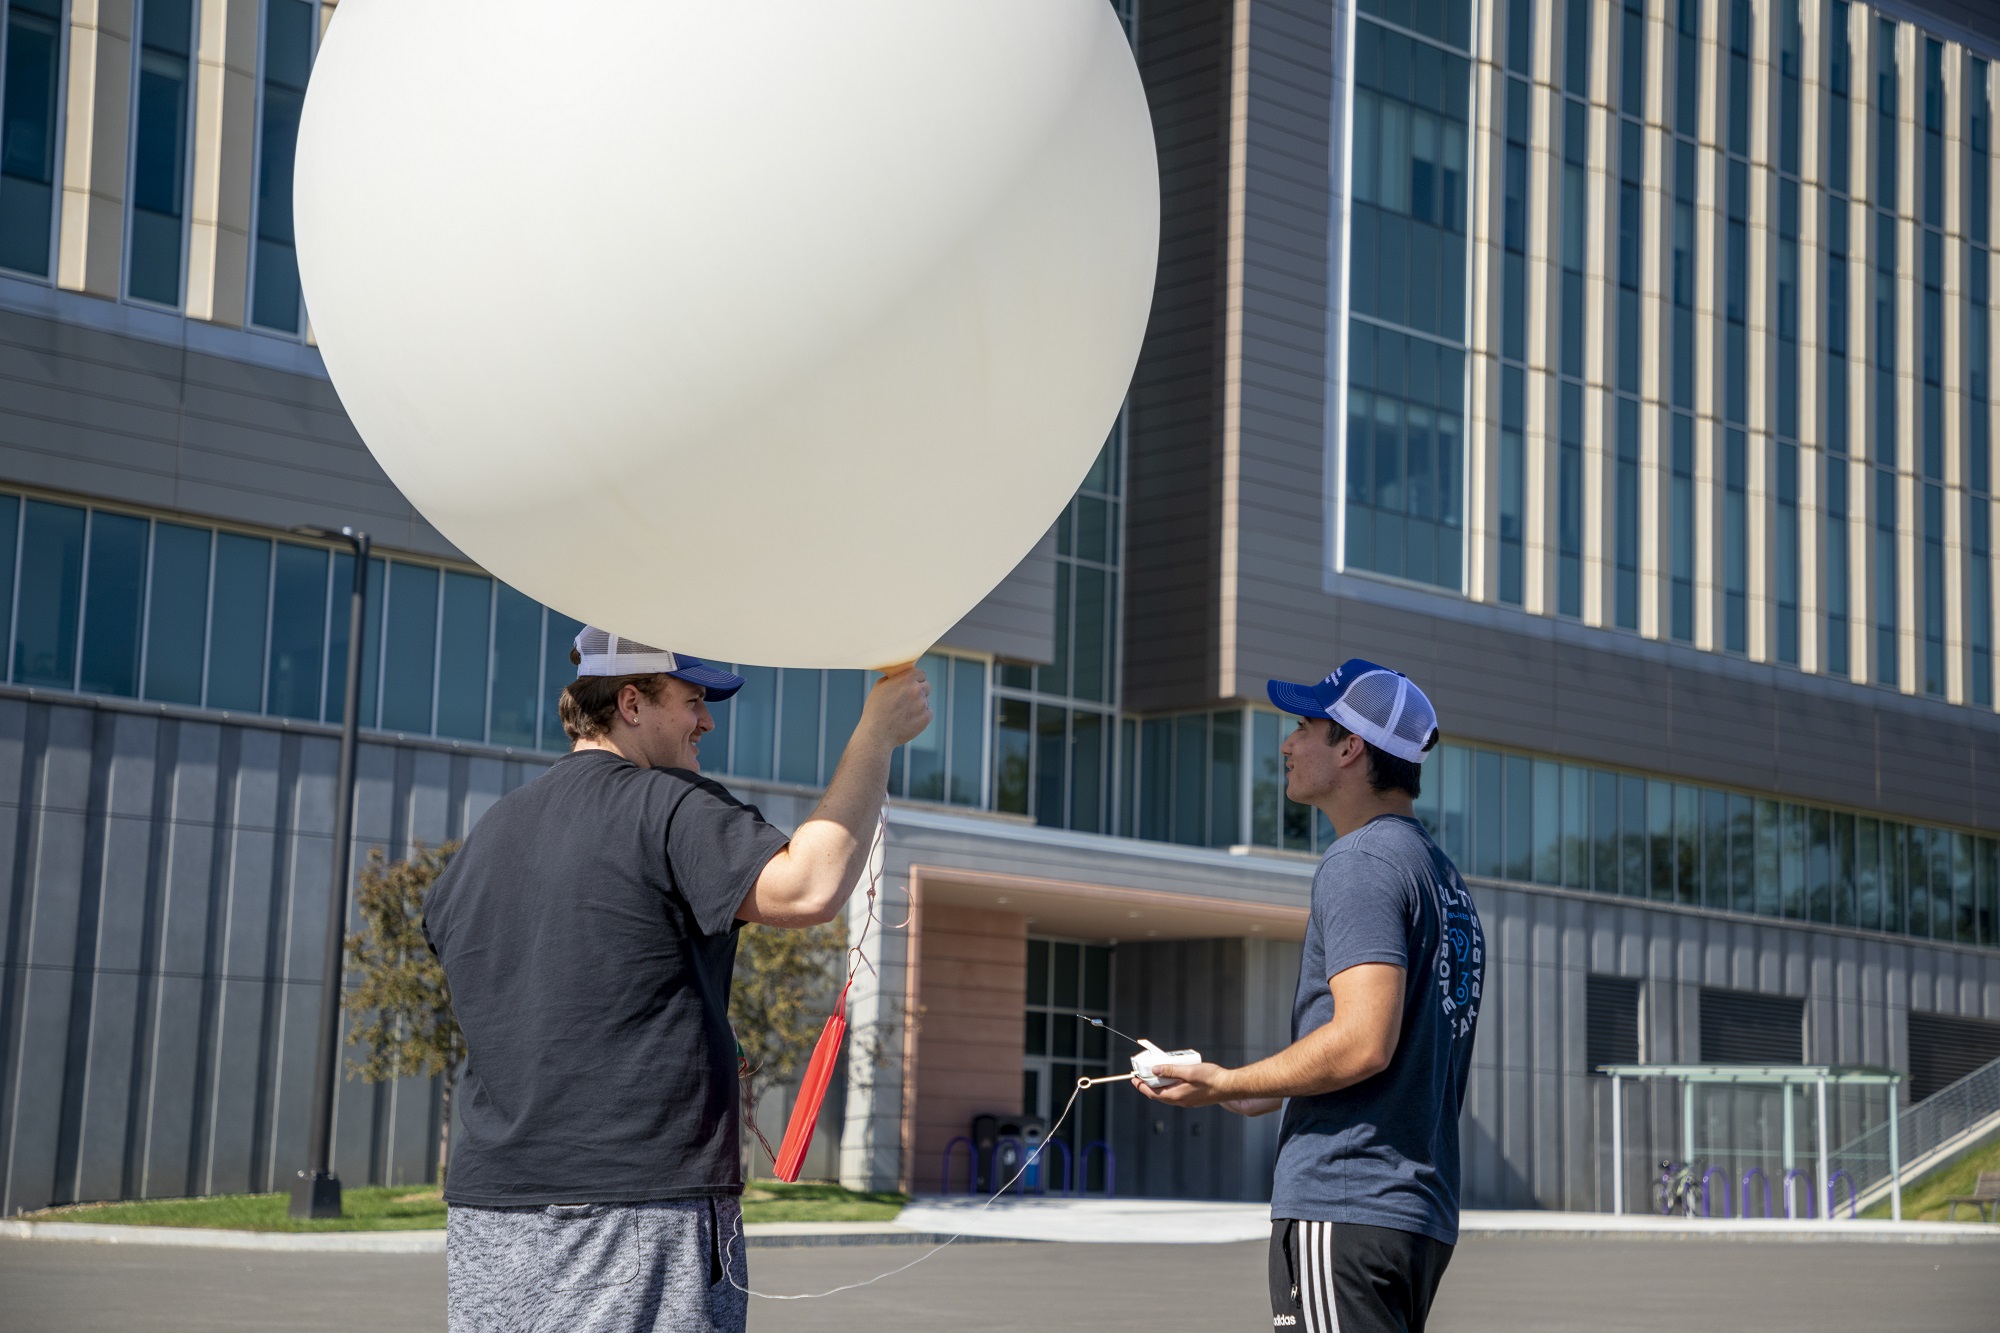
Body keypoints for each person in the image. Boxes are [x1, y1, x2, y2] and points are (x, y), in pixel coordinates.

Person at [423, 627, 932, 1333]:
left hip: (490, 1217)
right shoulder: (665, 803)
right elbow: (809, 887)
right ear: (631, 702)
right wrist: (876, 734)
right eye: (692, 699)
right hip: (636, 1206)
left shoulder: (483, 841)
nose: (707, 719)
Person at [1137, 659, 1483, 1333]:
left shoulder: (1361, 863)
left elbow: (1363, 1041)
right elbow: (1381, 1042)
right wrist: (1241, 1090)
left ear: (1351, 746)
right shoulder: (1444, 880)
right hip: (1413, 1212)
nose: (1287, 743)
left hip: (1346, 1202)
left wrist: (1228, 1079)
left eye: (1304, 726)